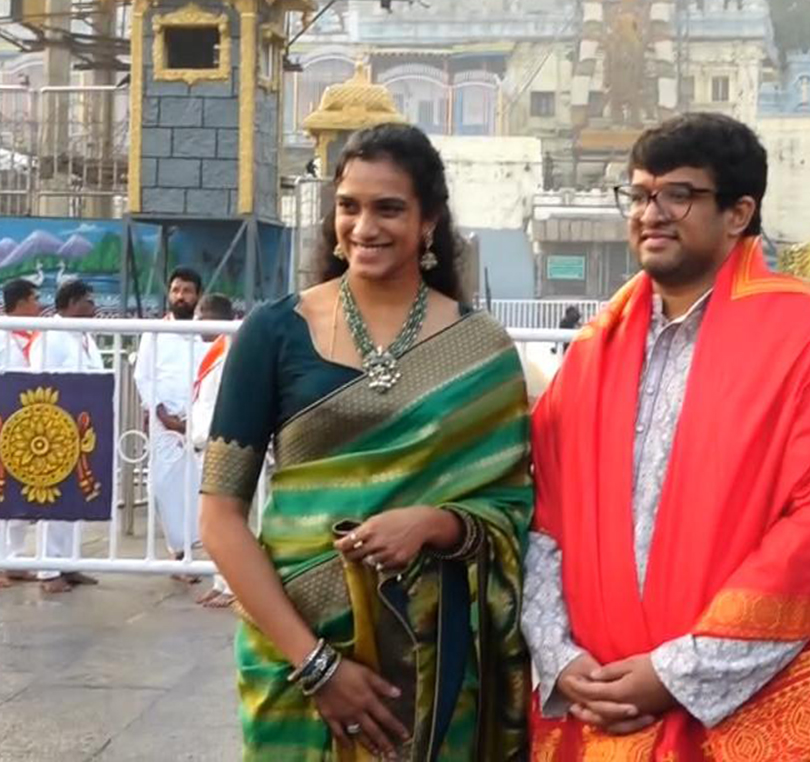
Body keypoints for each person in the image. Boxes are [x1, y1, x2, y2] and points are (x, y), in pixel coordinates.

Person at [523, 113, 810, 758]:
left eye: (679, 194)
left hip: (753, 699)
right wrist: (559, 656)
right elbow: (543, 514)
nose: (652, 212)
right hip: (602, 702)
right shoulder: (591, 352)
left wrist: (677, 673)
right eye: (640, 194)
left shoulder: (807, 344)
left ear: (738, 213)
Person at [199, 123, 531, 761]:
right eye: (349, 206)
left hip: (437, 656)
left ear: (428, 221)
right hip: (292, 654)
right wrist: (317, 665)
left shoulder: (481, 350)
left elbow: (514, 509)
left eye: (389, 209)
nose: (364, 226)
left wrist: (433, 524)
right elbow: (220, 518)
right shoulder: (274, 331)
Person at [26, 279, 103, 593]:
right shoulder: (50, 336)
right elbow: (41, 381)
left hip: (83, 427)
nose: (94, 308)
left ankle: (69, 563)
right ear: (72, 303)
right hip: (56, 427)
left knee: (75, 498)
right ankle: (48, 570)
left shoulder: (83, 337)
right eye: (89, 301)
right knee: (54, 500)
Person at [134, 267, 204, 574]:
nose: (180, 296)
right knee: (165, 484)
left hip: (200, 421)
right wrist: (159, 411)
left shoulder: (209, 330)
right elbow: (143, 375)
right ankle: (178, 551)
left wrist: (195, 417)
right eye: (176, 290)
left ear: (197, 295)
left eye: (187, 291)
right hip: (165, 421)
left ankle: (196, 550)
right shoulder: (155, 332)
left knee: (199, 486)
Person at [190, 293, 237, 609]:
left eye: (200, 316)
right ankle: (221, 581)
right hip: (205, 441)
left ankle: (233, 585)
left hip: (224, 443)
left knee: (229, 519)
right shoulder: (215, 348)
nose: (195, 323)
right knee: (212, 519)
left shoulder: (233, 347)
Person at [0, 278, 43, 588]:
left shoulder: (34, 337)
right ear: (22, 302)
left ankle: (14, 558)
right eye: (35, 299)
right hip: (3, 421)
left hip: (26, 425)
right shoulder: (2, 335)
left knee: (19, 495)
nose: (39, 305)